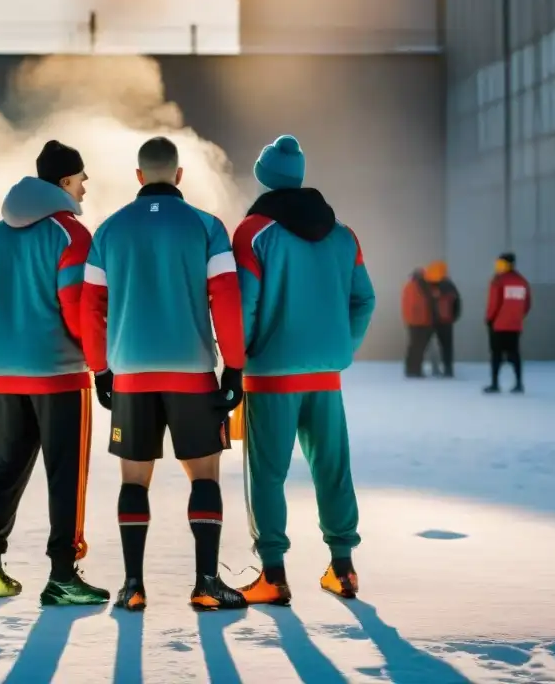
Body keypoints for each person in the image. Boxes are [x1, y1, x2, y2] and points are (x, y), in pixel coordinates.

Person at [81, 136, 247, 612]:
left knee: (134, 482)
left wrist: (101, 369)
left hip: (131, 375)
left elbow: (91, 307)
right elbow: (227, 300)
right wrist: (233, 364)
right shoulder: (206, 227)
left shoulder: (109, 231)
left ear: (138, 176)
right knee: (205, 477)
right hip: (193, 374)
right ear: (178, 175)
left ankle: (132, 585)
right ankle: (207, 582)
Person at [230, 135, 376, 605]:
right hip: (325, 378)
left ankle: (273, 574)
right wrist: (340, 346)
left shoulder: (253, 232)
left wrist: (241, 356)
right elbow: (364, 300)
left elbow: (245, 304)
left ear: (264, 176)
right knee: (333, 470)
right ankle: (344, 569)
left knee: (267, 474)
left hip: (270, 376)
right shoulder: (343, 235)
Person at [0, 140, 108, 606]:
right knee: (66, 474)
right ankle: (64, 576)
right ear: (65, 181)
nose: (86, 185)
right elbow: (78, 308)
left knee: (1, 470)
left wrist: (11, 335)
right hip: (60, 376)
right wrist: (97, 361)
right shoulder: (71, 235)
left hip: (7, 376)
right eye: (81, 177)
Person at [484, 252, 531, 394]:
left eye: (500, 264)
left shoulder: (498, 280)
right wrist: (518, 317)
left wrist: (489, 319)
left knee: (496, 354)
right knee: (515, 354)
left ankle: (495, 384)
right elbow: (527, 304)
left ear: (507, 265)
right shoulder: (523, 281)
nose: (498, 267)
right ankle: (518, 384)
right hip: (515, 325)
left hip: (498, 324)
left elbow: (494, 303)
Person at [424, 260, 461, 378]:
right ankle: (448, 370)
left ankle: (435, 368)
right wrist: (454, 317)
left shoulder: (428, 286)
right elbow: (457, 304)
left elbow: (424, 304)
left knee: (430, 346)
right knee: (447, 347)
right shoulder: (450, 285)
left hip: (431, 321)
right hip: (446, 322)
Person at [401, 268, 433, 377]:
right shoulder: (421, 287)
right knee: (418, 348)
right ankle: (416, 370)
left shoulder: (408, 286)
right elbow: (422, 305)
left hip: (412, 322)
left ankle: (410, 369)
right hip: (421, 323)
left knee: (413, 347)